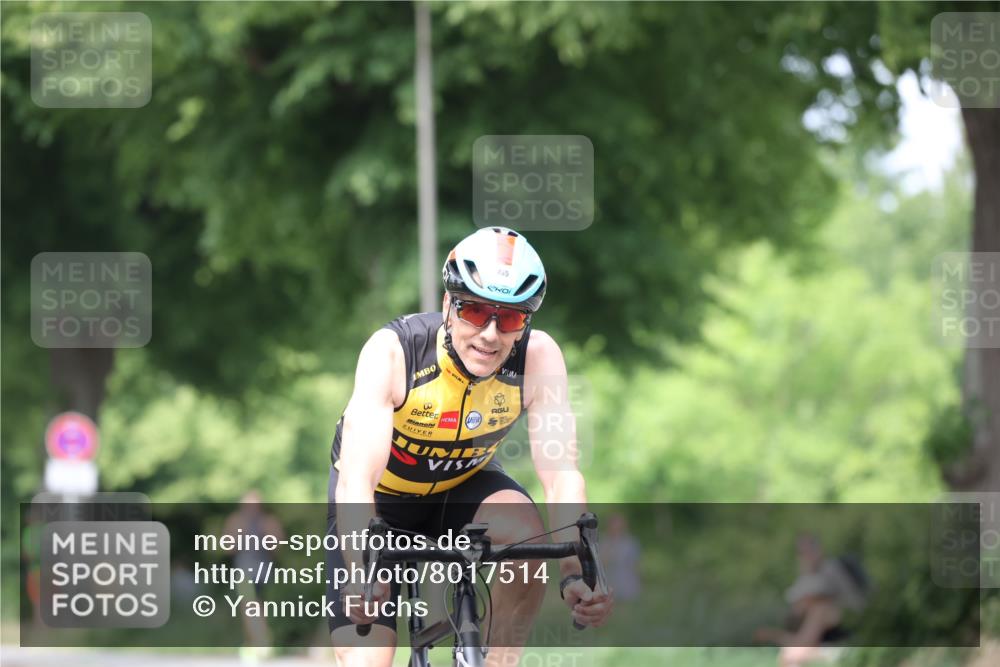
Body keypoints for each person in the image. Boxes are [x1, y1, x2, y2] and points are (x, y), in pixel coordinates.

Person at [326, 227, 614, 667]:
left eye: (511, 318)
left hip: (462, 487)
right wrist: (358, 567)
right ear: (448, 305)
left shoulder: (538, 358)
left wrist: (577, 570)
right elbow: (357, 478)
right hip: (379, 502)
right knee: (369, 660)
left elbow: (561, 475)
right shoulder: (395, 352)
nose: (490, 335)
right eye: (475, 311)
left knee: (525, 530)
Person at [753, 534, 868, 667]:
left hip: (836, 656)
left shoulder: (821, 608)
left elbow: (802, 644)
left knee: (790, 657)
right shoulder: (821, 604)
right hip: (831, 652)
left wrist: (771, 635)